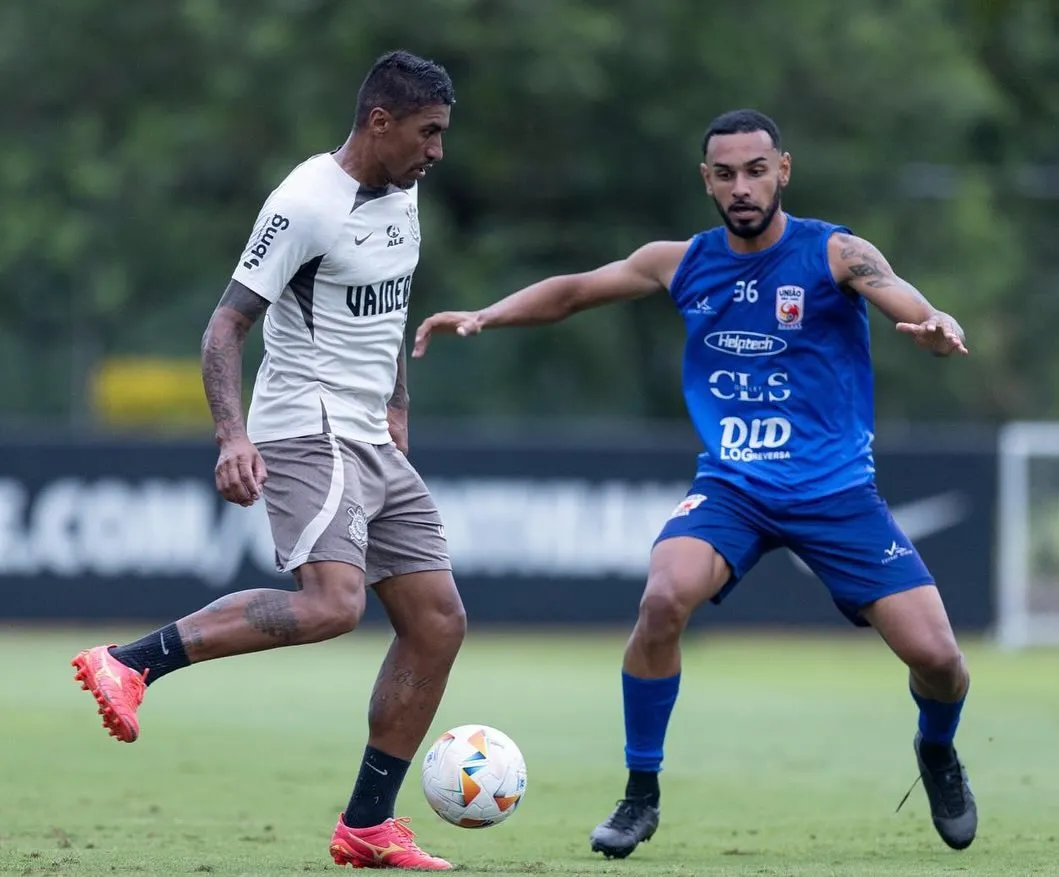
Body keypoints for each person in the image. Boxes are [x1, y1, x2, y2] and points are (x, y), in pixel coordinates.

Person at [412, 108, 977, 859]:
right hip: (732, 488)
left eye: (754, 169)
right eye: (725, 173)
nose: (741, 186)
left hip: (836, 493)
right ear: (705, 180)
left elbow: (899, 292)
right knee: (661, 595)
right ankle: (639, 793)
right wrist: (486, 315)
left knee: (938, 660)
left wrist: (934, 322)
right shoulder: (679, 261)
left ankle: (935, 749)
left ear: (783, 169)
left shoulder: (835, 252)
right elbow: (576, 290)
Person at [71, 50, 464, 872]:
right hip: (305, 426)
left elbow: (389, 301)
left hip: (369, 433)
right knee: (331, 603)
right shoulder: (305, 204)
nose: (436, 151)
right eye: (426, 133)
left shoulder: (404, 189)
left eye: (442, 135)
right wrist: (232, 435)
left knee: (436, 621)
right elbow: (223, 328)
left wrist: (396, 408)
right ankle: (130, 661)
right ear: (379, 122)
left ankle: (367, 823)